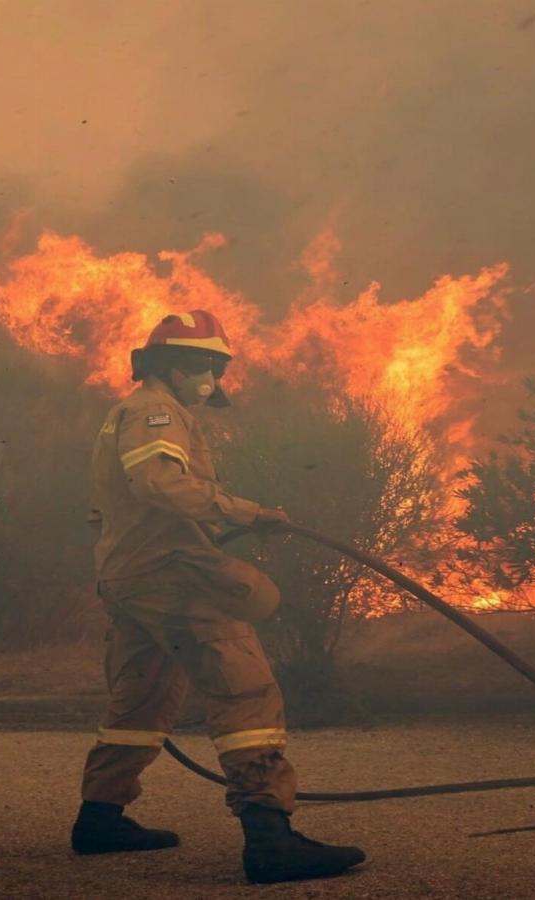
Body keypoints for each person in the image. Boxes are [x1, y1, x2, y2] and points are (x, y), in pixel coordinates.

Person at [72, 309, 366, 884]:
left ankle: (100, 819)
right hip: (171, 577)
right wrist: (247, 513)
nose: (211, 382)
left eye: (215, 369)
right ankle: (270, 838)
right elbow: (158, 483)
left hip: (131, 578)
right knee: (244, 686)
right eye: (205, 368)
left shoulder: (123, 418)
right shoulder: (156, 412)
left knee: (141, 700)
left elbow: (104, 509)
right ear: (174, 366)